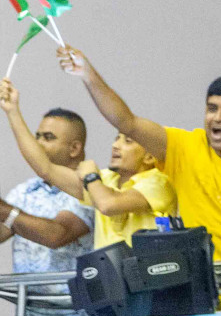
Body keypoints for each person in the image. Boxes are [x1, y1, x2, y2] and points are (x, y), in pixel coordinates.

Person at [59, 45, 221, 309]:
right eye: (211, 108)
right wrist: (89, 75)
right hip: (199, 298)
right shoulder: (186, 147)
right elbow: (127, 123)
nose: (217, 117)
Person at [1, 77, 175, 250]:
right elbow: (46, 169)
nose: (115, 145)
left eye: (127, 141)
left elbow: (108, 204)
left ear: (149, 157)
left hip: (146, 275)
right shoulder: (106, 180)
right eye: (116, 139)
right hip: (109, 276)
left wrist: (91, 177)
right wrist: (12, 111)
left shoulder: (159, 182)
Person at [0, 90, 93, 316]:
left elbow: (56, 235)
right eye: (37, 136)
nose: (38, 143)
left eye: (48, 138)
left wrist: (6, 211)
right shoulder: (26, 191)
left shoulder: (92, 187)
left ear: (74, 149)